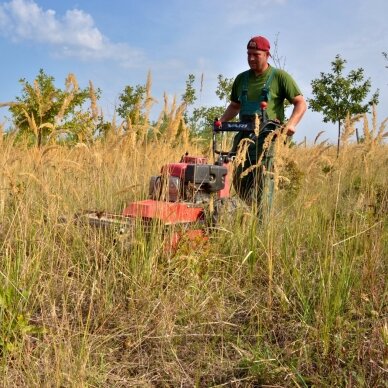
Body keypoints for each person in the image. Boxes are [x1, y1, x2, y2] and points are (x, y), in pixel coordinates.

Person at [219, 35, 306, 210]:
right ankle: (249, 212)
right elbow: (235, 106)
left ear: (267, 55)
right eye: (248, 54)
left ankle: (262, 224)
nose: (251, 58)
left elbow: (300, 102)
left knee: (264, 184)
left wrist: (291, 124)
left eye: (256, 54)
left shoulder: (279, 77)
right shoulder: (241, 79)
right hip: (244, 138)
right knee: (239, 180)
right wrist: (221, 121)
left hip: (268, 138)